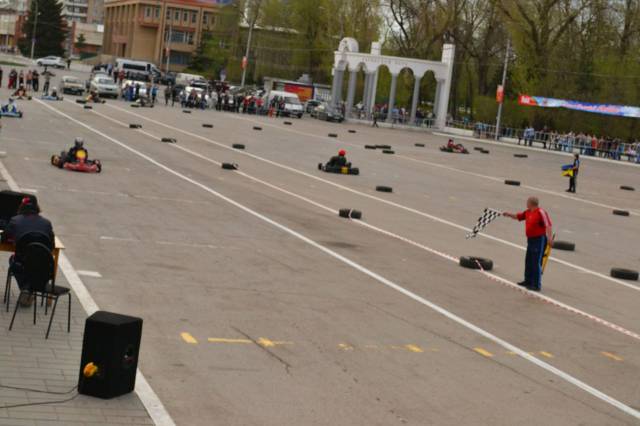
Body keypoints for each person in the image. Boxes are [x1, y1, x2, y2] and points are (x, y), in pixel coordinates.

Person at [2, 197, 54, 306]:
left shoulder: (15, 220)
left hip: (22, 262)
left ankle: (26, 288)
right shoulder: (47, 223)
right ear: (37, 207)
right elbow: (52, 245)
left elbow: (4, 238)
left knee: (13, 260)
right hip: (43, 264)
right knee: (35, 264)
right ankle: (31, 289)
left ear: (21, 207)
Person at [503, 197, 553, 292]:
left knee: (536, 261)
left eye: (527, 202)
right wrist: (509, 214)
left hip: (539, 240)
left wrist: (549, 238)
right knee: (528, 260)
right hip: (530, 239)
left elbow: (548, 225)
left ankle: (536, 285)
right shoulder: (528, 212)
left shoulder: (541, 212)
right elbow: (518, 216)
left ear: (531, 203)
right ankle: (528, 280)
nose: (526, 204)